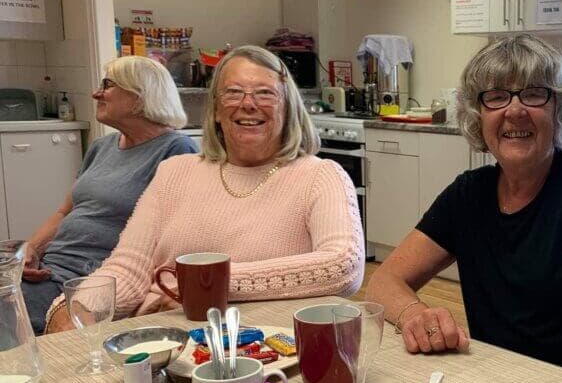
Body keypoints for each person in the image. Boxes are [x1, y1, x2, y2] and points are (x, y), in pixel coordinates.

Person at [366, 34, 562, 383]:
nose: (514, 111)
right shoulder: (468, 195)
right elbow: (384, 281)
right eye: (496, 97)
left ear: (557, 109)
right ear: (478, 115)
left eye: (533, 94)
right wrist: (415, 314)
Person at [45, 45, 364, 331]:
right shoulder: (174, 172)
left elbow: (343, 266)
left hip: (265, 346)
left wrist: (204, 287)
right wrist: (74, 306)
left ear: (288, 107)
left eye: (265, 93)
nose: (248, 104)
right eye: (233, 92)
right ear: (215, 111)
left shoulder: (322, 176)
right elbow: (129, 266)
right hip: (165, 339)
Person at [22, 56, 197, 334]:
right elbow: (64, 211)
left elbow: (174, 238)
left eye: (107, 84)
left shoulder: (176, 150)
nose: (96, 93)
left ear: (141, 94)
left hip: (88, 280)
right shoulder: (101, 146)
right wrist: (29, 250)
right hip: (49, 269)